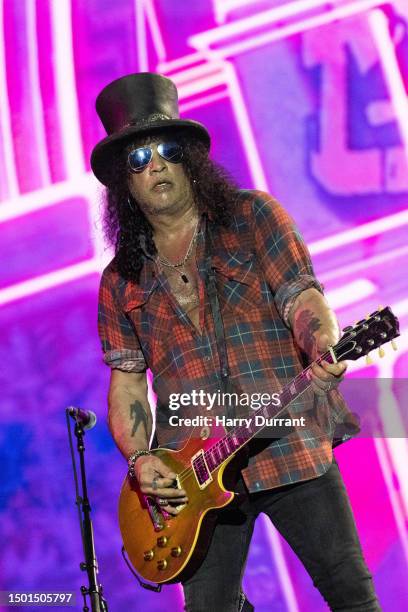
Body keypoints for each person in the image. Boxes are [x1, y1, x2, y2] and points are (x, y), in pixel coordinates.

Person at [92, 73, 380, 611]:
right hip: (192, 479)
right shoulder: (120, 280)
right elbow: (128, 384)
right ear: (123, 184)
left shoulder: (253, 216)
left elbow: (302, 298)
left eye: (165, 149)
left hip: (287, 440)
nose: (154, 163)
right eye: (137, 158)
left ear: (189, 161)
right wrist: (139, 460)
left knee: (350, 593)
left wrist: (322, 343)